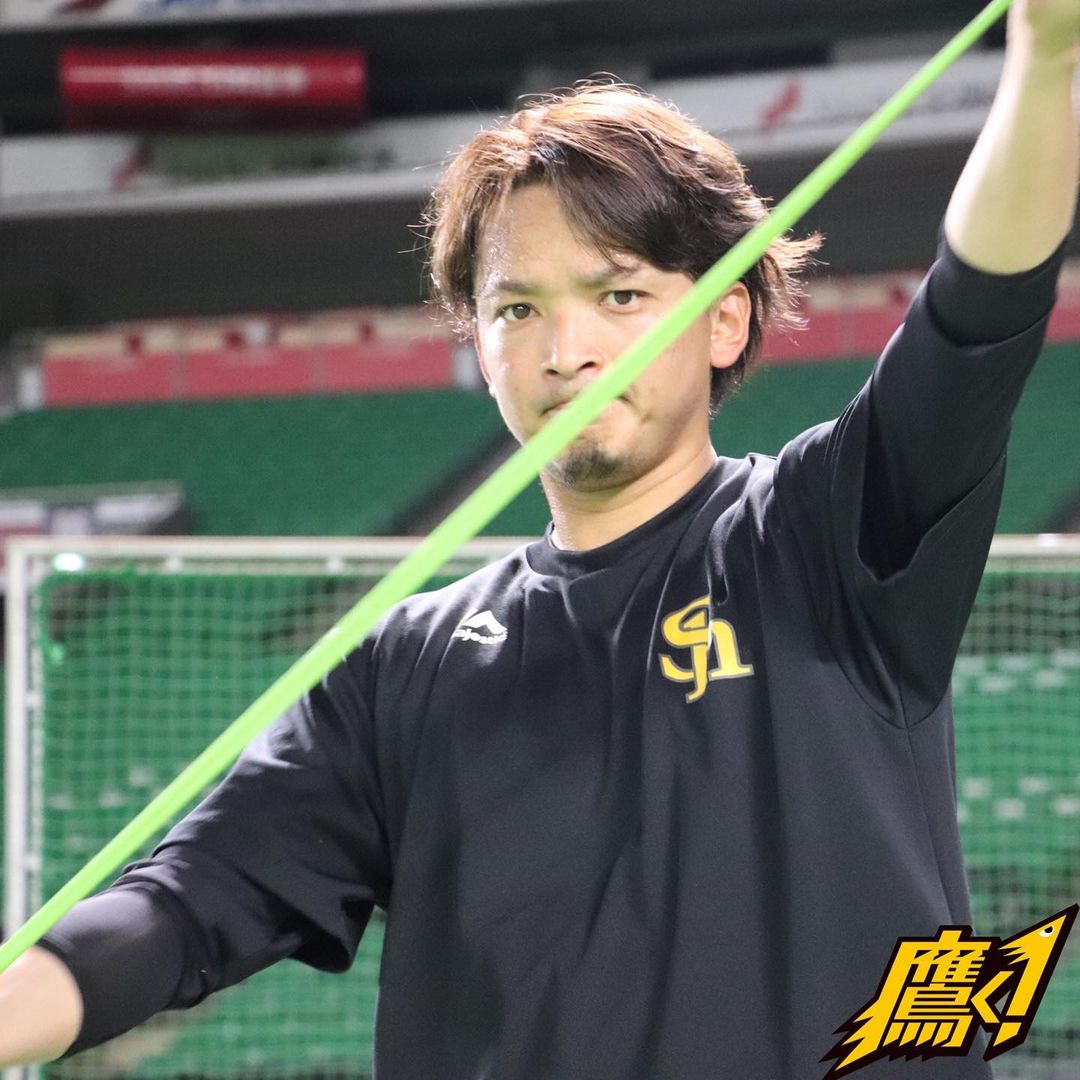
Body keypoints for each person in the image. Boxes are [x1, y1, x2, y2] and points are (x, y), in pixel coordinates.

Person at [2, 2, 1077, 1076]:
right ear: (479, 343)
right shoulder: (400, 670)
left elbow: (975, 314)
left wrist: (1044, 62)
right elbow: (183, 907)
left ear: (725, 319)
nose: (568, 349)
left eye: (620, 294)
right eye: (517, 310)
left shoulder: (826, 533)